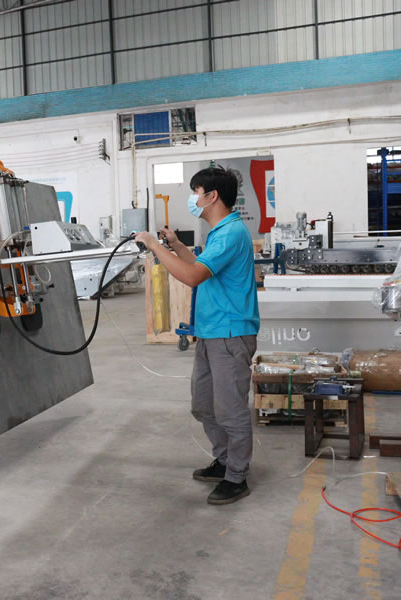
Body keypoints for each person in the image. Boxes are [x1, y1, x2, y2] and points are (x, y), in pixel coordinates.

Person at [135, 166, 260, 505]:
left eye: (195, 192)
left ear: (211, 196)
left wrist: (153, 245)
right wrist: (175, 245)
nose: (193, 199)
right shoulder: (220, 232)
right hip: (211, 333)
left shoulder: (231, 233)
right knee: (203, 405)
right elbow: (200, 267)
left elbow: (191, 277)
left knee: (231, 410)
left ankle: (237, 476)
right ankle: (224, 460)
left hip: (230, 334)